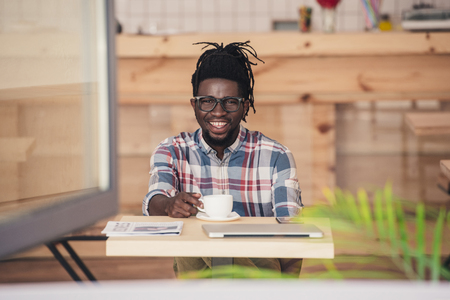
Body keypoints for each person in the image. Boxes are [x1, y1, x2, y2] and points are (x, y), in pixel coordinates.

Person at [142, 41, 303, 275]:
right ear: (194, 105)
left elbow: (292, 232)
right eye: (207, 101)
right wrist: (169, 204)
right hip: (199, 266)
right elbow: (155, 199)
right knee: (196, 237)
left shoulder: (277, 156)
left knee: (199, 232)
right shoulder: (171, 150)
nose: (218, 112)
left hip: (259, 264)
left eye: (230, 102)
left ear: (245, 106)